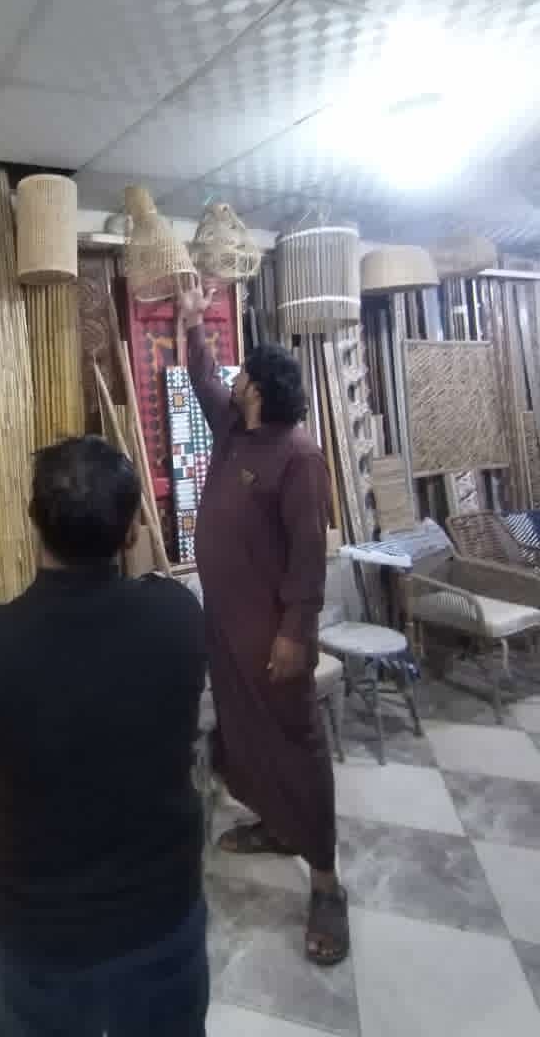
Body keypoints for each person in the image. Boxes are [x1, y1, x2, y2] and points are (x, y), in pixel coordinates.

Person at [0, 435, 208, 1036]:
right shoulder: (177, 618)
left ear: (33, 521)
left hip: (39, 931)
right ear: (132, 533)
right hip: (160, 912)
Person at [178, 280, 348, 966]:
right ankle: (277, 827)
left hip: (272, 636)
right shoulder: (234, 431)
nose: (233, 377)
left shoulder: (297, 457)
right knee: (245, 736)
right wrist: (194, 324)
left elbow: (308, 557)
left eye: (241, 372)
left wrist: (294, 634)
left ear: (257, 388)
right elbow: (201, 380)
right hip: (226, 626)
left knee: (296, 744)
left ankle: (326, 882)